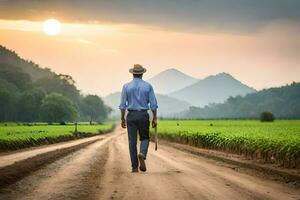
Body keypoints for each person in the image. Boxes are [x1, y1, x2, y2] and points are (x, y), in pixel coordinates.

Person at [119, 64, 158, 173]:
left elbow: (122, 105)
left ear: (133, 74)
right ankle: (142, 153)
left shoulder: (126, 86)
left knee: (132, 141)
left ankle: (134, 167)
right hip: (143, 115)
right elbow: (153, 105)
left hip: (131, 116)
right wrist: (155, 118)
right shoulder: (148, 86)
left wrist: (122, 119)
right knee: (145, 138)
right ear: (142, 74)